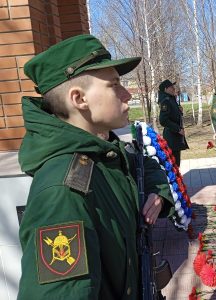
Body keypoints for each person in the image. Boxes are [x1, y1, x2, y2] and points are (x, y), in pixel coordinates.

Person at [17, 34, 175, 299]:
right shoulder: (64, 192)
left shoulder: (103, 151)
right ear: (79, 99)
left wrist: (157, 193)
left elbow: (144, 164)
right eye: (114, 85)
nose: (128, 94)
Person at [158, 79, 189, 166]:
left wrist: (180, 111)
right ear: (165, 89)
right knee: (174, 164)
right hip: (171, 137)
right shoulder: (166, 101)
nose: (174, 89)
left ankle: (177, 178)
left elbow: (173, 116)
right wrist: (178, 129)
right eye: (171, 87)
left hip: (175, 137)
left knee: (176, 162)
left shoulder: (171, 99)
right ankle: (175, 179)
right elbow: (163, 120)